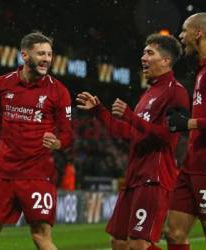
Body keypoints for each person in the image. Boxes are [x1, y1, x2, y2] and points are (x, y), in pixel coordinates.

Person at [76, 33, 189, 250]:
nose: (143, 58)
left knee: (139, 243)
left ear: (166, 60)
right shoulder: (148, 94)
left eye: (149, 53)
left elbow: (167, 136)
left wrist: (131, 116)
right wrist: (99, 111)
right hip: (133, 177)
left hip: (153, 177)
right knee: (118, 242)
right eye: (143, 52)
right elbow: (128, 132)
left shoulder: (177, 93)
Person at [0, 32, 73, 250]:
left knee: (40, 236)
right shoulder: (1, 84)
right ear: (24, 55)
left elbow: (67, 134)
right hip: (5, 172)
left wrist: (58, 143)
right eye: (41, 53)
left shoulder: (59, 91)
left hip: (38, 174)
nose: (47, 58)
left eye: (49, 54)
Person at [165, 13, 206, 250]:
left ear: (198, 33)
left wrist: (191, 124)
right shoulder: (203, 69)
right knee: (174, 233)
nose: (181, 36)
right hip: (191, 165)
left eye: (184, 30)